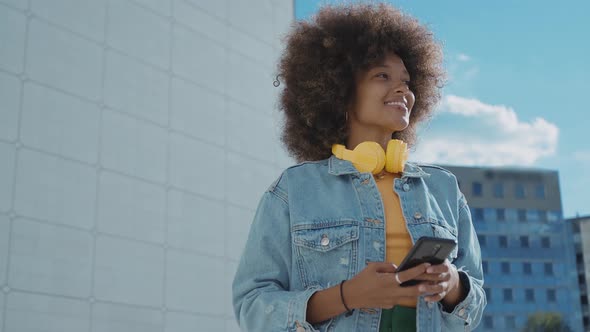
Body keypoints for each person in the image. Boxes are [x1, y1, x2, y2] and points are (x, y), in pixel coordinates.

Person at [232, 3, 486, 331]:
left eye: (407, 81)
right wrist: (347, 296)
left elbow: (475, 300)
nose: (403, 91)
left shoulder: (444, 189)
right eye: (382, 75)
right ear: (340, 92)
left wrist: (453, 285)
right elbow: (252, 307)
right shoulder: (293, 191)